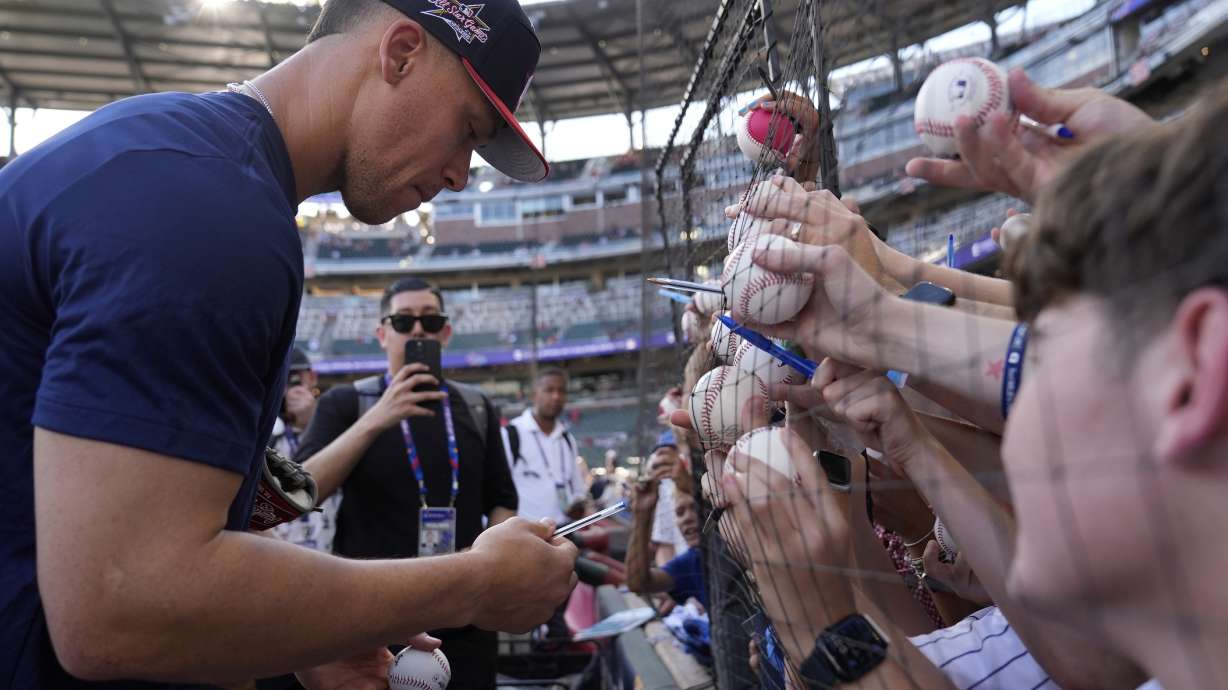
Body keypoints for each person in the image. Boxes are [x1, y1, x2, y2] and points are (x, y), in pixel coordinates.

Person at [0, 0, 577, 686]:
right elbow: (120, 609)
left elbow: (206, 496)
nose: (459, 174)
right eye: (466, 130)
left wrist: (300, 632)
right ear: (399, 53)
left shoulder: (189, 164)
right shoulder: (208, 210)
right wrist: (472, 584)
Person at [293, 277, 519, 689]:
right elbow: (302, 493)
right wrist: (379, 416)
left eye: (431, 322)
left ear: (445, 333)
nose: (418, 330)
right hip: (372, 618)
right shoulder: (346, 404)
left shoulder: (476, 407)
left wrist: (485, 559)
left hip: (463, 616)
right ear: (382, 334)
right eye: (404, 321)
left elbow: (503, 500)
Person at [270, 347, 342, 554]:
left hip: (329, 550)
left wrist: (312, 420)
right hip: (277, 550)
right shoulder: (263, 426)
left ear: (311, 378)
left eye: (294, 379)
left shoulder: (335, 420)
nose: (288, 388)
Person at [504, 368, 587, 524]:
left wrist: (577, 503)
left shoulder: (567, 439)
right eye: (549, 390)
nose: (556, 396)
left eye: (561, 391)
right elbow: (498, 491)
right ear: (535, 394)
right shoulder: (511, 434)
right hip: (525, 535)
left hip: (563, 531)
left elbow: (578, 490)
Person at [625, 460, 705, 610]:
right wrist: (642, 515)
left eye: (694, 508)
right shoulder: (693, 560)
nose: (687, 518)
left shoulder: (729, 547)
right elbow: (638, 583)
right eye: (679, 513)